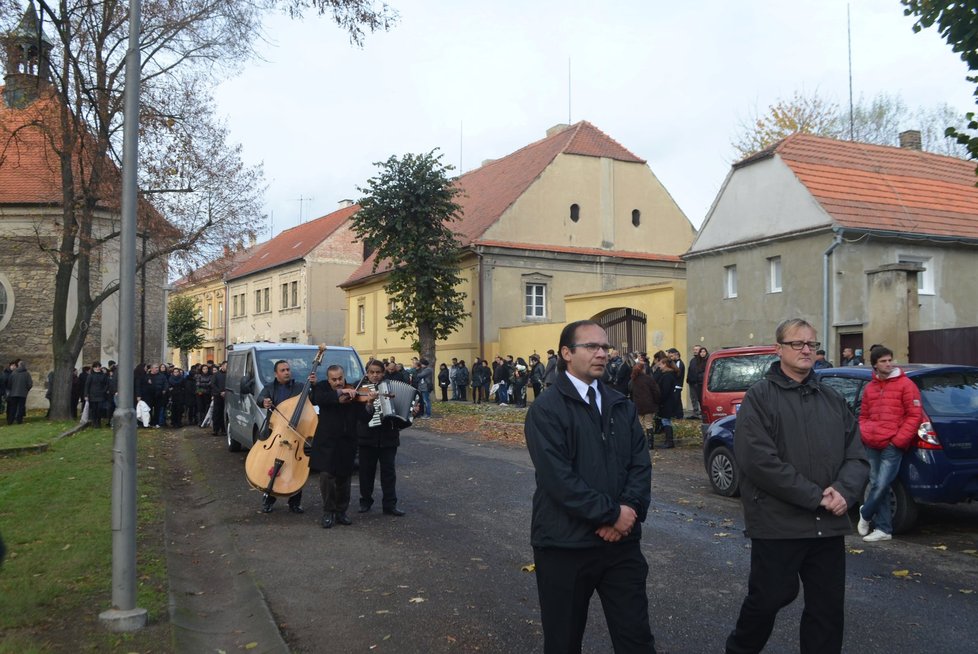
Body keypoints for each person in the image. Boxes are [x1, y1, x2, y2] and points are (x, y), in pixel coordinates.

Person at [725, 318, 868, 654]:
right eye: (797, 343)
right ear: (779, 349)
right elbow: (758, 461)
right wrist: (815, 496)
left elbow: (857, 455)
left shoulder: (831, 399)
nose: (806, 350)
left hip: (828, 526)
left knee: (827, 611)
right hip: (779, 524)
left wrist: (845, 492)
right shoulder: (760, 398)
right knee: (768, 600)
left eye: (812, 344)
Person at [524, 320, 656, 654]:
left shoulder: (620, 405)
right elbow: (558, 478)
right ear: (566, 353)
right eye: (592, 347)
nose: (602, 354)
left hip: (621, 547)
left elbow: (640, 465)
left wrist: (630, 511)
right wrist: (610, 514)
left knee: (636, 639)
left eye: (605, 347)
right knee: (564, 641)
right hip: (565, 546)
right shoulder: (546, 409)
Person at [856, 345, 922, 543]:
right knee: (878, 484)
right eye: (883, 361)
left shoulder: (906, 385)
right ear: (875, 365)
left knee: (882, 483)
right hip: (871, 442)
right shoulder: (870, 387)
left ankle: (866, 513)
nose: (888, 364)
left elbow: (914, 415)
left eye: (889, 360)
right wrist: (865, 431)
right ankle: (884, 529)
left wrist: (899, 440)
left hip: (892, 444)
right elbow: (864, 414)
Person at [310, 364, 374, 528]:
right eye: (334, 379)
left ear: (344, 376)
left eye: (340, 378)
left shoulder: (354, 391)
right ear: (329, 379)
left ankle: (341, 512)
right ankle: (328, 511)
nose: (338, 382)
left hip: (347, 441)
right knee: (326, 476)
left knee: (344, 478)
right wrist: (341, 392)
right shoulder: (322, 388)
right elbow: (318, 399)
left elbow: (364, 418)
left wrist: (369, 404)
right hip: (327, 441)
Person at [357, 359, 413, 517]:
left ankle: (390, 504)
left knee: (389, 473)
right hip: (366, 437)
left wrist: (411, 413)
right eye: (372, 372)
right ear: (367, 373)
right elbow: (360, 417)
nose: (375, 375)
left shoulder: (391, 387)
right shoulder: (360, 388)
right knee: (366, 472)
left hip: (388, 438)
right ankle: (365, 501)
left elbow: (401, 419)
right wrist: (369, 404)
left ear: (383, 373)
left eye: (378, 372)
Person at [256, 360, 306, 514]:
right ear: (276, 374)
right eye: (283, 370)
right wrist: (264, 402)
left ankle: (295, 503)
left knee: (295, 468)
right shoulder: (270, 388)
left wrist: (313, 385)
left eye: (288, 369)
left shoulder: (299, 387)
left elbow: (311, 401)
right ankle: (268, 500)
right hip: (275, 435)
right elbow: (260, 399)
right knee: (271, 468)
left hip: (294, 434)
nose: (286, 372)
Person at [654, 353, 683, 449]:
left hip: (666, 403)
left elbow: (665, 391)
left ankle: (669, 441)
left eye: (661, 364)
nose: (659, 366)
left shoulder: (667, 376)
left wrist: (660, 400)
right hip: (667, 402)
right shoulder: (668, 375)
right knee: (665, 420)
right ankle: (668, 440)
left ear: (665, 365)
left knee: (666, 421)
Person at [630, 362, 661, 450]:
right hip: (649, 405)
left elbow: (631, 391)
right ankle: (650, 444)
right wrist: (657, 401)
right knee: (649, 424)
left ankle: (641, 443)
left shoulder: (633, 379)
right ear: (643, 369)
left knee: (640, 424)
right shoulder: (649, 379)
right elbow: (656, 391)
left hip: (638, 405)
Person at [84, 362, 114, 428]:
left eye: (98, 367)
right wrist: (86, 395)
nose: (97, 368)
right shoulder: (90, 376)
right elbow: (87, 385)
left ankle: (98, 421)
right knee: (94, 409)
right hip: (93, 395)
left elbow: (107, 384)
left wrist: (104, 390)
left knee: (99, 409)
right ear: (94, 368)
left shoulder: (103, 375)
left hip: (101, 395)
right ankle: (94, 422)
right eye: (96, 367)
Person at [6, 360, 32, 425]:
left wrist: (11, 390)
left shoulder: (14, 373)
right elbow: (30, 384)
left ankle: (10, 421)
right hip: (23, 393)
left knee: (13, 407)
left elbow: (9, 383)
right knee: (21, 407)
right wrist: (26, 390)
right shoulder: (27, 374)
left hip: (13, 393)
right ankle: (19, 421)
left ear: (18, 365)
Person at [685, 345, 705, 419]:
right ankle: (695, 413)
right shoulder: (692, 360)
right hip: (692, 382)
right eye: (694, 349)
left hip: (699, 383)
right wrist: (688, 379)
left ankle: (703, 412)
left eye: (697, 349)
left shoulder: (703, 360)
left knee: (700, 398)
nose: (695, 351)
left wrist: (699, 380)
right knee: (693, 398)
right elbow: (690, 370)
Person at [211, 361, 227, 437]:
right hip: (218, 396)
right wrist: (220, 392)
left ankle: (224, 429)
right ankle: (215, 429)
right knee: (217, 413)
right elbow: (213, 384)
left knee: (225, 413)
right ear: (222, 366)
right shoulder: (216, 375)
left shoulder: (230, 375)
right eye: (226, 366)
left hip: (227, 396)